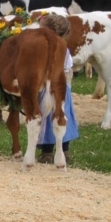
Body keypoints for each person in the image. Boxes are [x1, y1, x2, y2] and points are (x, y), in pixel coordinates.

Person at [34, 13, 78, 164]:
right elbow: (68, 67)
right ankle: (65, 152)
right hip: (63, 88)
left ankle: (47, 153)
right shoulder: (65, 48)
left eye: (41, 28)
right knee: (63, 116)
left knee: (47, 118)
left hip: (48, 87)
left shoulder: (43, 47)